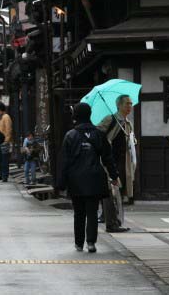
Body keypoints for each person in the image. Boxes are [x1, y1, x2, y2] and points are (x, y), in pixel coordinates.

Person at [57, 103, 119, 253]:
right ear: (89, 114)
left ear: (76, 116)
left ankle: (79, 243)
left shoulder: (70, 135)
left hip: (76, 179)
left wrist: (61, 183)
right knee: (92, 211)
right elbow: (107, 157)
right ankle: (91, 242)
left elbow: (64, 161)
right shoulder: (99, 134)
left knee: (79, 213)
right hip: (94, 177)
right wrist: (114, 175)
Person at [97, 94, 135, 232]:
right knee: (111, 191)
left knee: (119, 191)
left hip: (123, 161)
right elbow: (98, 134)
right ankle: (111, 222)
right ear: (119, 105)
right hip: (110, 160)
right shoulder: (111, 119)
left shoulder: (127, 123)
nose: (129, 106)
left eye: (131, 104)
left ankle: (116, 220)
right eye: (127, 104)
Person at [0, 102, 13, 182]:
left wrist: (6, 140)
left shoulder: (6, 117)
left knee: (4, 160)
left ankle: (5, 176)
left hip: (4, 141)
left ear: (0, 109)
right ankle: (1, 174)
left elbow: (9, 130)